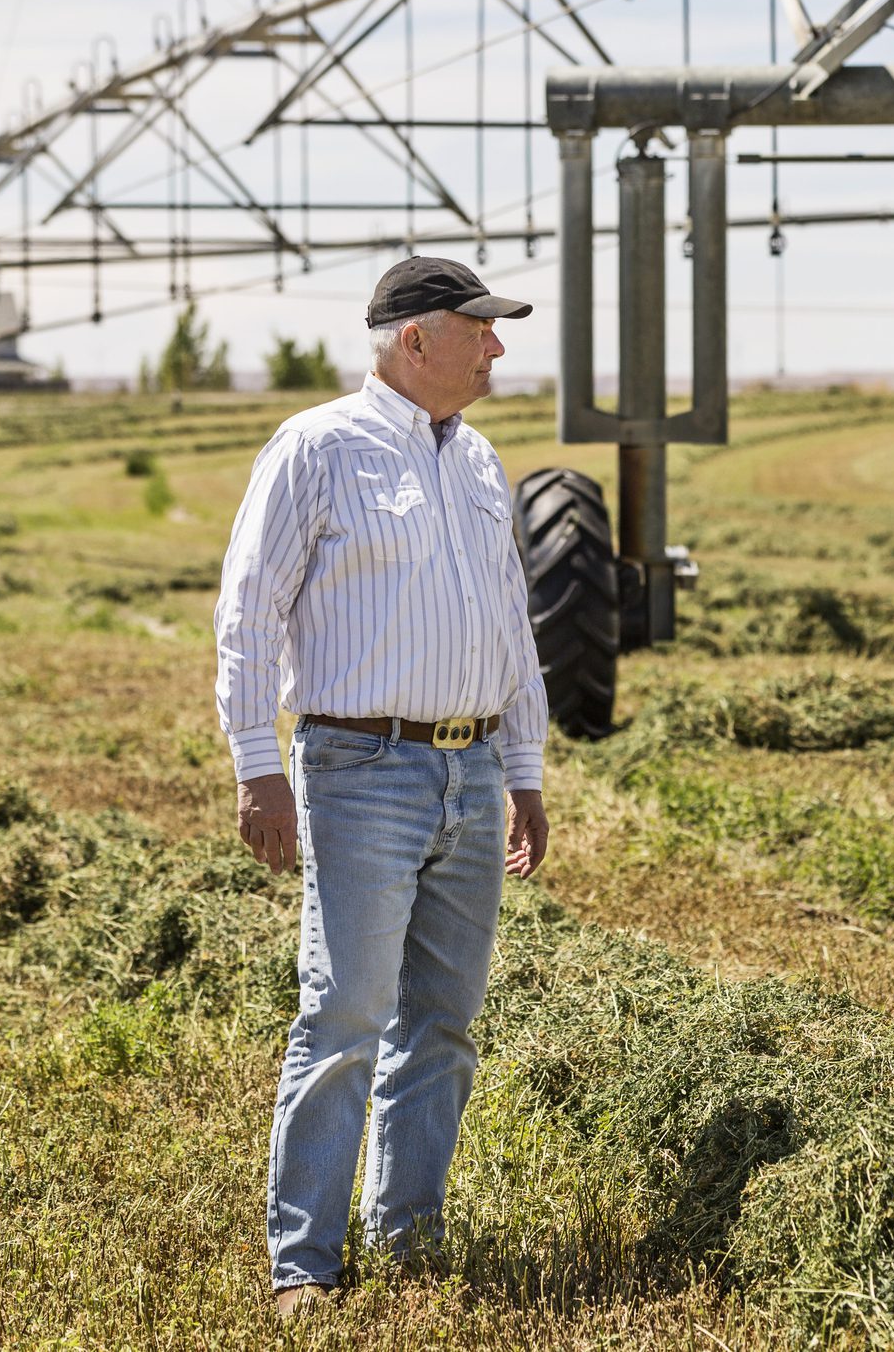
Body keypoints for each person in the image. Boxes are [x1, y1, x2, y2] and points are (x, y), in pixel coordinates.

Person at [212, 256, 550, 1317]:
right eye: (480, 329)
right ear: (417, 339)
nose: (496, 347)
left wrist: (523, 769)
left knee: (442, 1021)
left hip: (470, 765)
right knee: (344, 1012)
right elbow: (248, 613)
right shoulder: (318, 447)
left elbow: (511, 627)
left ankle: (406, 1238)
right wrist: (256, 765)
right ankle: (303, 1262)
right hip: (358, 769)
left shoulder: (483, 461)